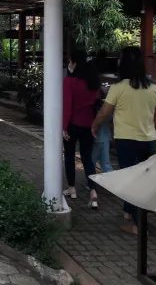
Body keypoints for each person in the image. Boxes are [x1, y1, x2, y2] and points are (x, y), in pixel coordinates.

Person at [92, 46, 156, 235]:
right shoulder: (154, 90)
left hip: (126, 141)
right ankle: (129, 212)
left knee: (131, 182)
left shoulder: (118, 89)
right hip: (148, 141)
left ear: (124, 63)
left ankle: (137, 225)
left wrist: (94, 126)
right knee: (141, 180)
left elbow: (104, 112)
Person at [63, 49, 101, 209]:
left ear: (75, 63)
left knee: (70, 155)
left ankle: (72, 189)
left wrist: (63, 127)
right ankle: (93, 192)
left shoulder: (69, 82)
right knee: (87, 158)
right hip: (89, 125)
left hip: (72, 124)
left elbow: (67, 107)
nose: (68, 64)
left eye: (70, 61)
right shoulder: (94, 83)